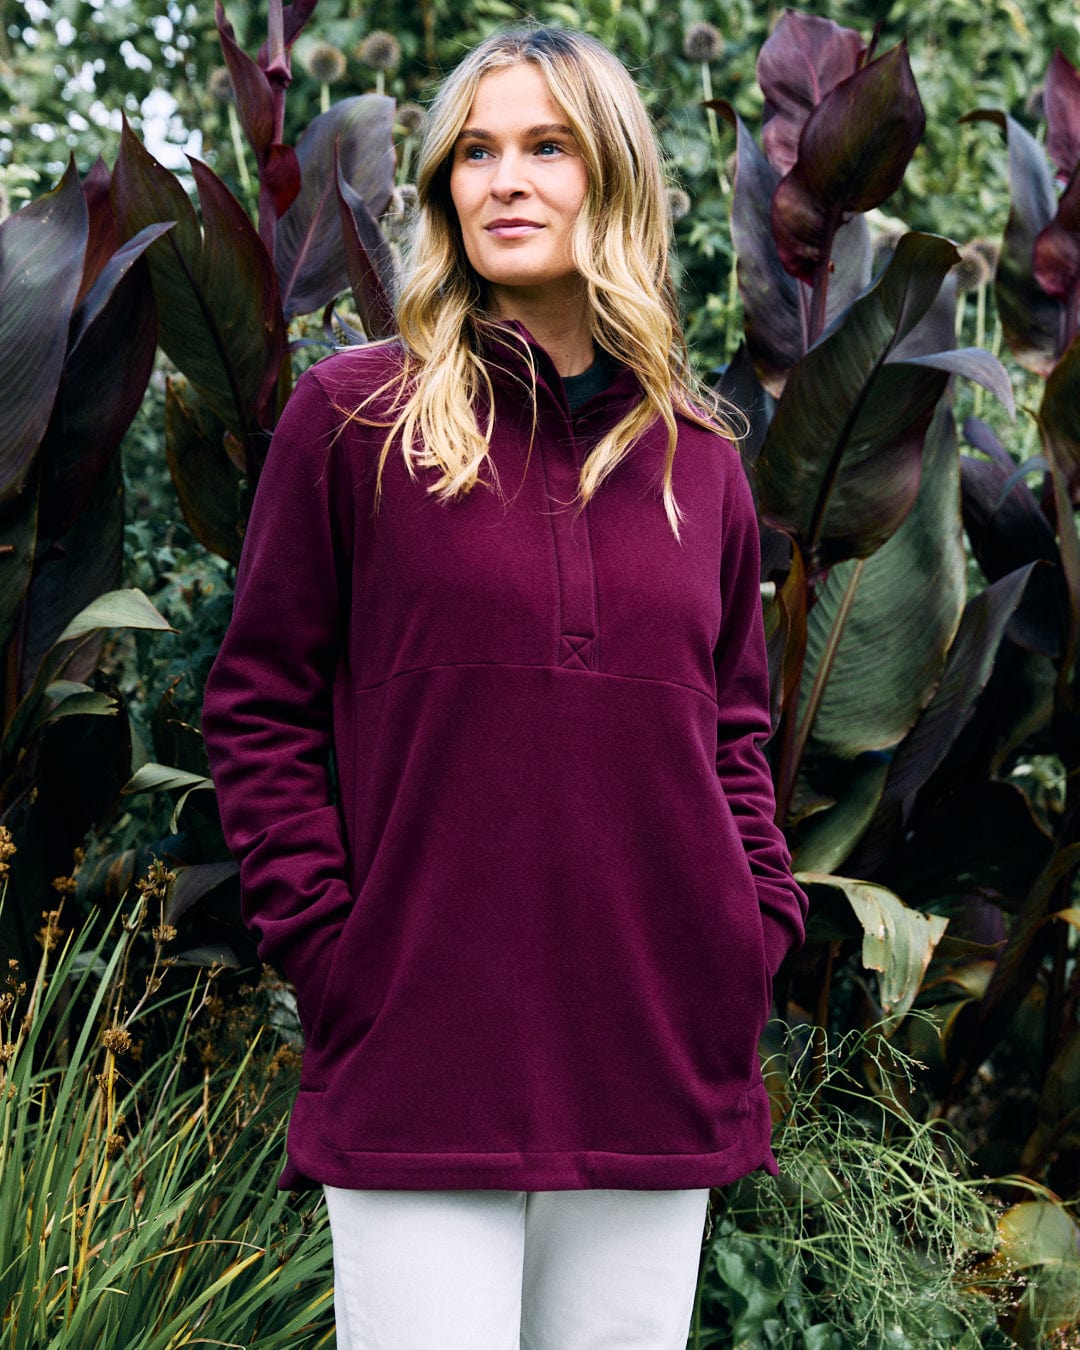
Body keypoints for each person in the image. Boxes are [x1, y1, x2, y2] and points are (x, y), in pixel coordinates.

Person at [202, 23, 807, 1350]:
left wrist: (751, 930)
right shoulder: (355, 420)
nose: (503, 180)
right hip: (421, 1043)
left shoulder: (699, 464)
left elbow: (734, 735)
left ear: (617, 180)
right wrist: (329, 946)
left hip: (659, 1041)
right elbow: (259, 704)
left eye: (546, 146)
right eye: (475, 151)